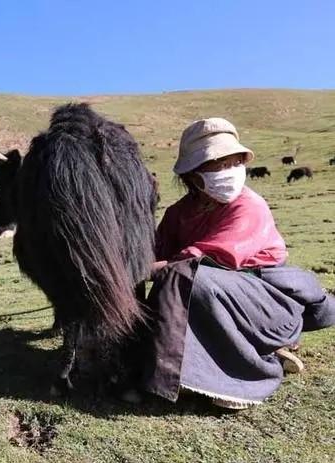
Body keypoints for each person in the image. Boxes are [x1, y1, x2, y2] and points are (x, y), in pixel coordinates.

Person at [143, 118, 335, 409]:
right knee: (176, 284)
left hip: (266, 302)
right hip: (216, 302)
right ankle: (247, 353)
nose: (229, 172)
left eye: (235, 162)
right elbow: (154, 253)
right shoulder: (177, 214)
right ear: (194, 176)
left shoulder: (248, 206)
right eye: (218, 164)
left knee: (188, 277)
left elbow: (206, 257)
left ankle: (244, 377)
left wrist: (142, 269)